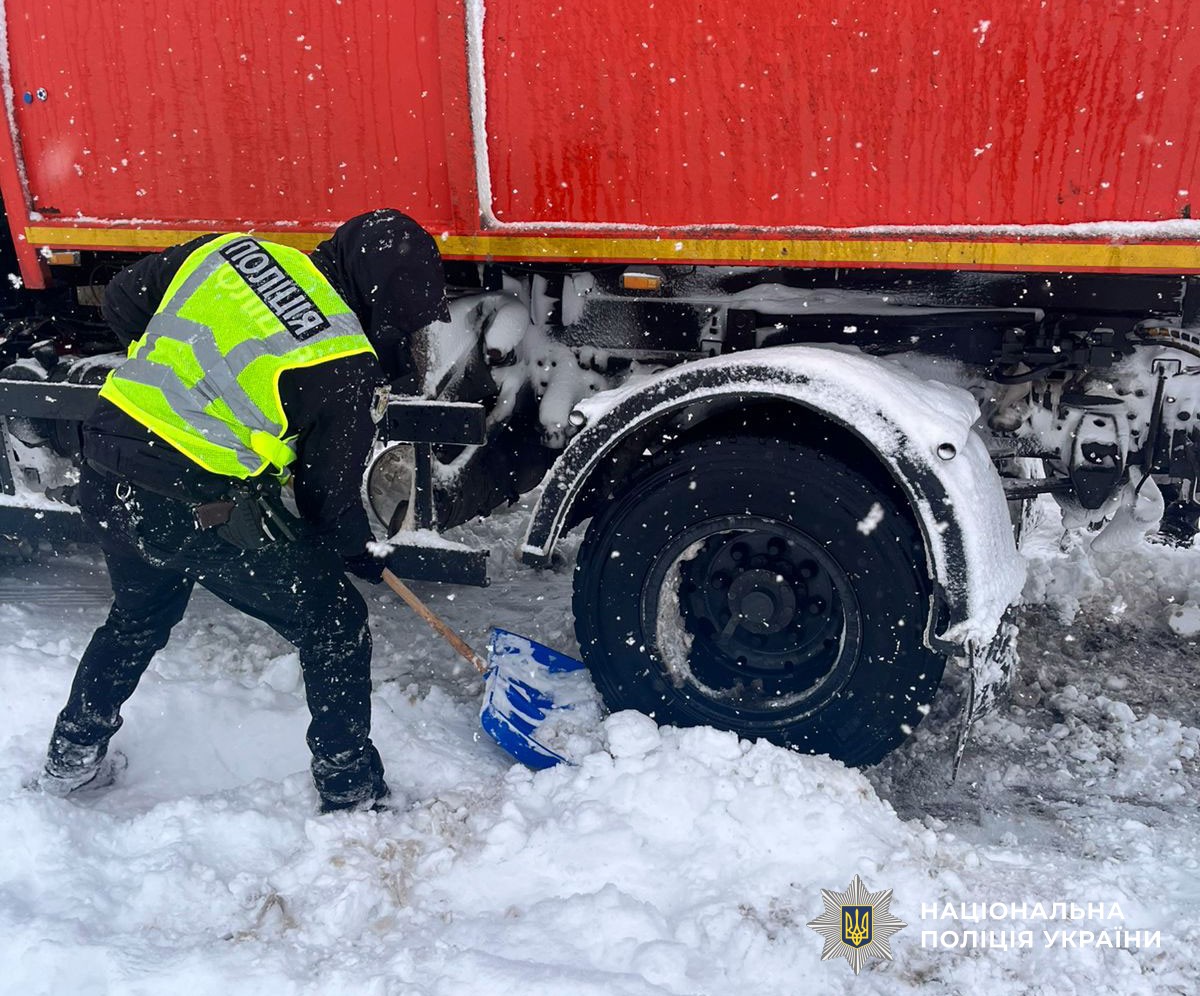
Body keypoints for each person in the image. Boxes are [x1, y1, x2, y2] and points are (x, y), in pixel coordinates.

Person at [36, 209, 450, 813]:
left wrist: (188, 399)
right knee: (335, 622)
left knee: (138, 616)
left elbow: (123, 300)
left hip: (106, 466)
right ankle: (351, 791)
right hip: (188, 506)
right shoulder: (343, 358)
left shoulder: (237, 252)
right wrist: (357, 549)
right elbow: (326, 501)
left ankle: (68, 759)